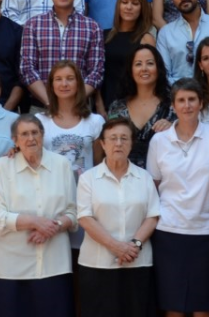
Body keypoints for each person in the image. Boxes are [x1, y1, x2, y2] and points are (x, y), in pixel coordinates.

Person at [146, 78, 209, 317]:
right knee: (173, 308)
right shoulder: (159, 141)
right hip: (168, 231)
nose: (187, 105)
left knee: (202, 308)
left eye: (192, 99)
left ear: (201, 102)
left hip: (206, 231)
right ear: (173, 105)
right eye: (181, 100)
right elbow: (153, 185)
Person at [0, 114, 79, 317]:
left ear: (43, 135)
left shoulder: (61, 164)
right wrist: (33, 222)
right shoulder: (2, 166)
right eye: (24, 134)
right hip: (11, 268)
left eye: (35, 132)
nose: (31, 138)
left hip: (54, 265)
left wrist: (53, 226)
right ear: (15, 140)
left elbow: (73, 212)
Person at [76, 117, 161, 317]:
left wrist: (134, 246)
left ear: (132, 144)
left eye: (124, 138)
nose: (119, 143)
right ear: (103, 144)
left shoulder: (144, 177)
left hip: (137, 261)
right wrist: (115, 246)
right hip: (97, 264)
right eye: (112, 138)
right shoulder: (88, 178)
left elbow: (153, 216)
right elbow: (85, 217)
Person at [37, 61, 105, 249]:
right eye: (58, 79)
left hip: (85, 200)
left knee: (82, 256)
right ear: (51, 85)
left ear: (78, 84)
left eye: (69, 79)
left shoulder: (95, 121)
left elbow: (99, 164)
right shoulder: (39, 121)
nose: (64, 84)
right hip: (52, 199)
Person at [19, 0, 105, 109]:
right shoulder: (33, 25)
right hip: (42, 106)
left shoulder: (92, 27)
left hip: (79, 107)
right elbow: (27, 69)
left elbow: (96, 72)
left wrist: (74, 102)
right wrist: (49, 102)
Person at [107, 44, 175, 169]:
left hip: (164, 179)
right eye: (138, 64)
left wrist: (174, 129)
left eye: (150, 63)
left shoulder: (173, 105)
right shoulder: (117, 107)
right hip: (124, 179)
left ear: (158, 68)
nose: (144, 68)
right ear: (131, 70)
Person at [100, 0, 156, 112]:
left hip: (134, 106)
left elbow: (150, 78)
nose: (129, 7)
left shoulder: (146, 39)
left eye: (135, 3)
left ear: (142, 8)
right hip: (106, 104)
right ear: (118, 5)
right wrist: (100, 107)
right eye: (124, 2)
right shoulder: (103, 35)